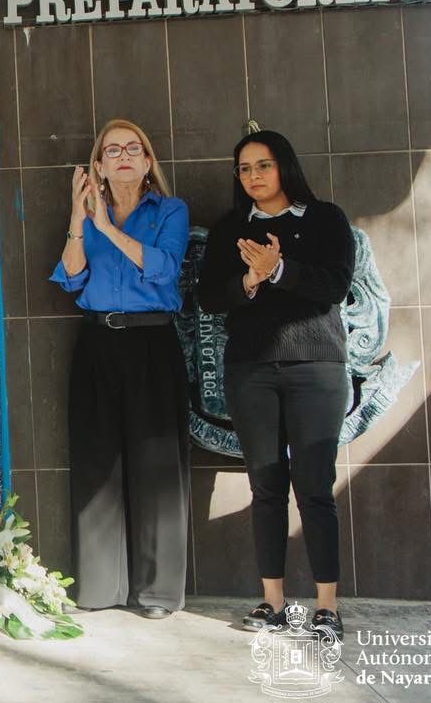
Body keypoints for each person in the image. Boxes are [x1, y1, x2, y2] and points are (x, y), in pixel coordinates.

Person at [198, 129, 353, 642]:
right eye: (244, 169)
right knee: (266, 486)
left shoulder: (325, 219)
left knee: (314, 485)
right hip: (252, 370)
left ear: (284, 166)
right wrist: (249, 281)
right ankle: (274, 601)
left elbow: (334, 286)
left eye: (262, 165)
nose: (253, 176)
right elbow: (209, 298)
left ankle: (326, 607)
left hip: (316, 368)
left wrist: (279, 268)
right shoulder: (229, 230)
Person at [49, 118, 190, 619]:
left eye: (135, 148)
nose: (124, 155)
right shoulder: (87, 214)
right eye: (113, 150)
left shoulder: (169, 211)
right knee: (97, 462)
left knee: (157, 467)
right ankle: (100, 586)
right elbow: (70, 276)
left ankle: (156, 592)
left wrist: (107, 227)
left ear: (148, 161)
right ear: (99, 167)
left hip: (153, 341)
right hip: (98, 341)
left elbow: (164, 268)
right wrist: (78, 214)